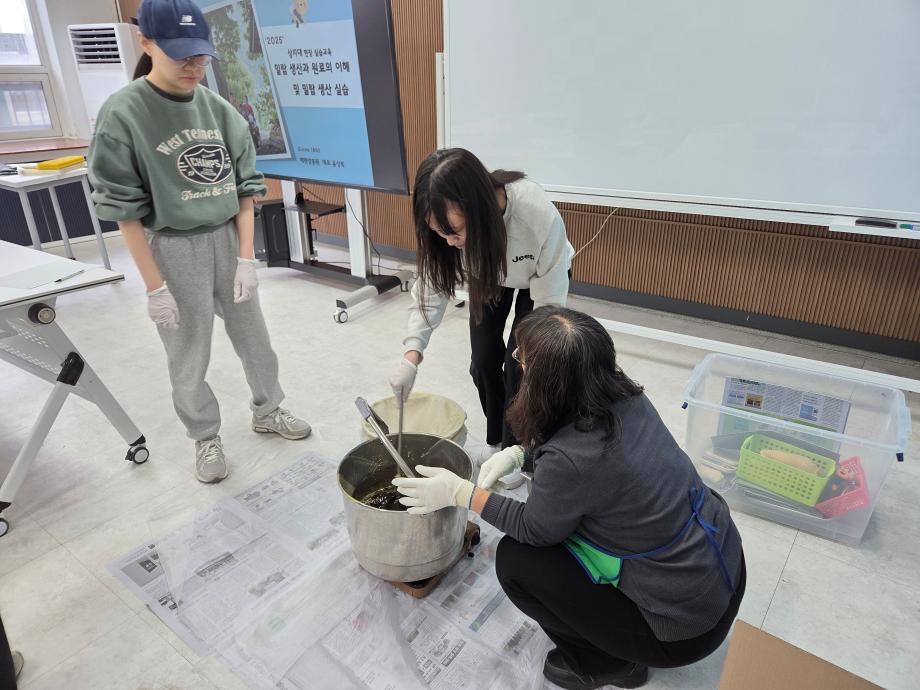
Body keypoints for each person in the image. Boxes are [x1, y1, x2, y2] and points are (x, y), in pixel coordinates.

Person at [392, 307, 746, 690]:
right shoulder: (627, 398)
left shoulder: (572, 461)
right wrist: (522, 454)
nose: (518, 364)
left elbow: (535, 530)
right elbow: (588, 466)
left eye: (522, 359)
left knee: (516, 561)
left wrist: (463, 493)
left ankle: (608, 665)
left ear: (548, 382)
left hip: (684, 631)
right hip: (725, 573)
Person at [88, 0, 310, 484]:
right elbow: (123, 212)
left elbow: (248, 190)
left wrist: (246, 258)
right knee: (188, 351)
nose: (193, 66)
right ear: (145, 43)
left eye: (201, 55)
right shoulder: (123, 114)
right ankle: (205, 434)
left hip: (226, 239)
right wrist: (153, 287)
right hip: (170, 246)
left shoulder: (219, 110)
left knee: (256, 340)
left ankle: (268, 410)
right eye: (179, 54)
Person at [389, 148, 573, 461]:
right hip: (489, 271)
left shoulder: (534, 213)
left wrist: (533, 352)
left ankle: (516, 450)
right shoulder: (448, 237)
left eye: (456, 231)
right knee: (484, 361)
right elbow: (431, 289)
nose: (449, 242)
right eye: (438, 232)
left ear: (480, 209)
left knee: (519, 367)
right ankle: (500, 434)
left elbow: (549, 296)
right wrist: (411, 355)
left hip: (541, 280)